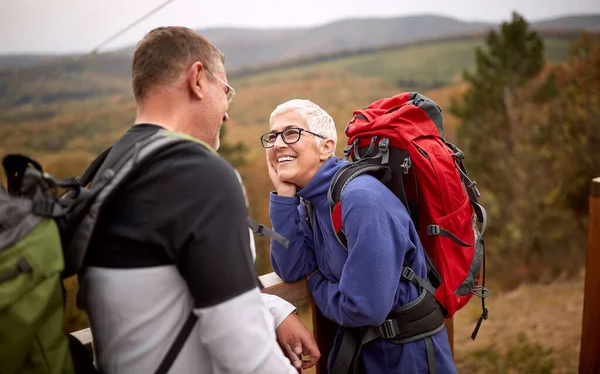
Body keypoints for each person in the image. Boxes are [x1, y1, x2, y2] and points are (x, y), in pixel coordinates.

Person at [79, 27, 319, 373]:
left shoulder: (108, 167)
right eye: (226, 91)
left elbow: (165, 288)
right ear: (197, 80)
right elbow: (243, 347)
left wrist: (275, 310)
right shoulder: (201, 175)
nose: (226, 112)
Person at [263, 99, 457, 373]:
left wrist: (317, 279)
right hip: (368, 351)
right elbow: (290, 269)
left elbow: (364, 308)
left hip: (407, 357)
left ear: (326, 146)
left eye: (291, 133)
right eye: (271, 137)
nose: (278, 144)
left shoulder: (360, 199)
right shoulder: (311, 200)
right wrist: (284, 198)